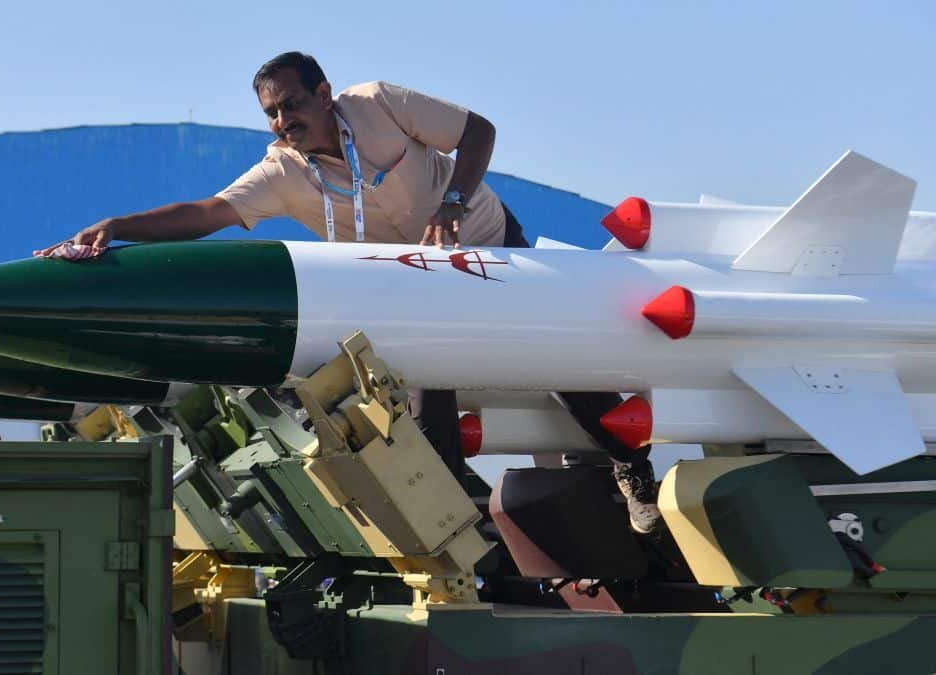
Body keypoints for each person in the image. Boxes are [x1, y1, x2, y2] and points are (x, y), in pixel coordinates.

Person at [52, 51, 661, 533]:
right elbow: (208, 212)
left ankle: (632, 469)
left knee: (561, 358)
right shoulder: (281, 171)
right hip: (413, 293)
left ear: (324, 94)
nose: (283, 121)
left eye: (292, 104)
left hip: (488, 246)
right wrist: (118, 226)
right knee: (426, 402)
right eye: (271, 113)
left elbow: (477, 130)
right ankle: (458, 527)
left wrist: (453, 201)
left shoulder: (378, 104)